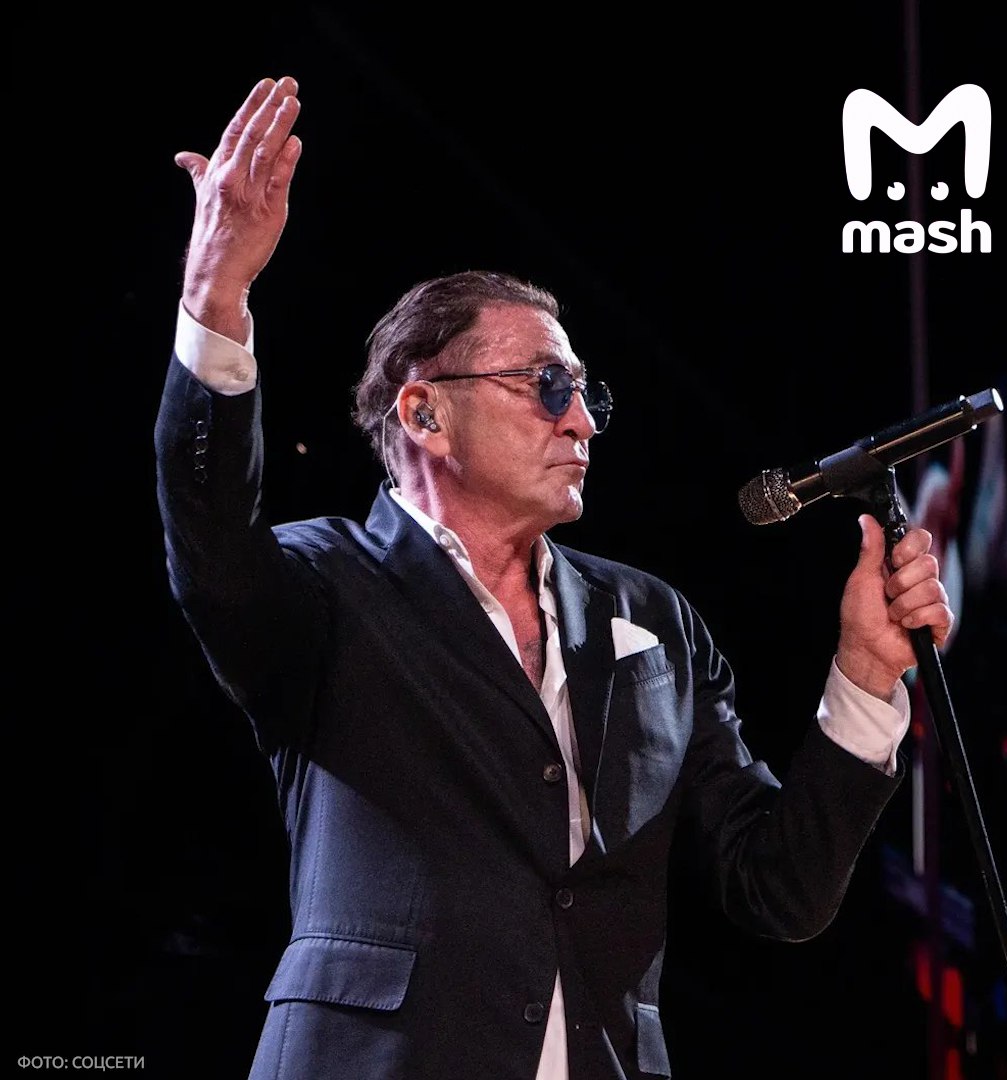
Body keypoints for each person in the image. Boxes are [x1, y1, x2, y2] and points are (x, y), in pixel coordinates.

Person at [155, 76, 954, 1080]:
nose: (580, 421)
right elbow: (211, 538)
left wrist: (867, 679)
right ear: (424, 413)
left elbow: (778, 890)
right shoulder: (326, 586)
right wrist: (215, 300)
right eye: (546, 386)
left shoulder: (654, 621)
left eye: (583, 394)